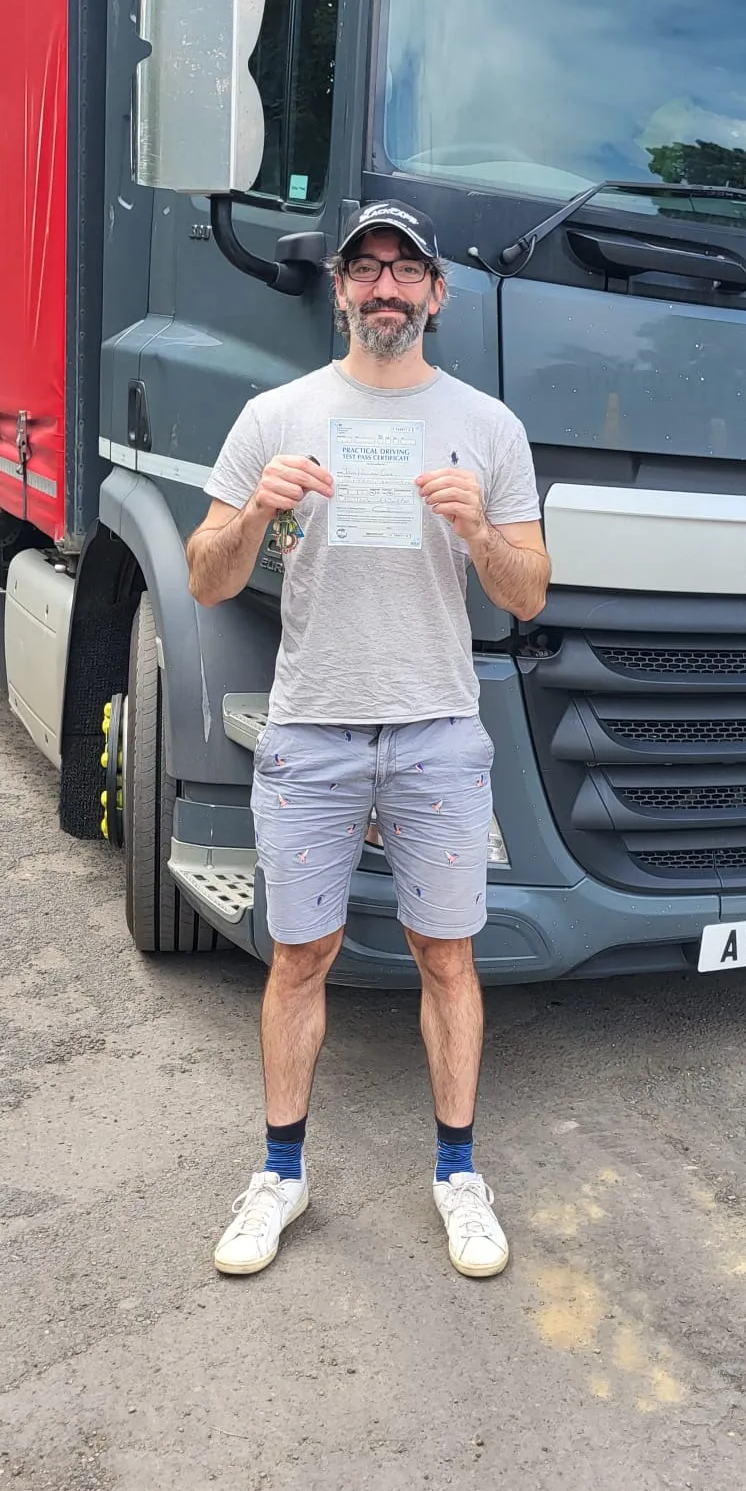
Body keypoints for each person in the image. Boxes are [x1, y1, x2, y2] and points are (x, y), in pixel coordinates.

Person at [186, 201, 550, 1279]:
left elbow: (528, 594)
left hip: (437, 725)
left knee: (448, 952)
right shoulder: (277, 416)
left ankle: (457, 1173)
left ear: (436, 293)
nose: (385, 287)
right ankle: (280, 1172)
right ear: (339, 289)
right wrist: (256, 513)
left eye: (406, 270)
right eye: (367, 268)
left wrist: (480, 528)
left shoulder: (489, 427)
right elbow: (206, 576)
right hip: (311, 726)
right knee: (301, 953)